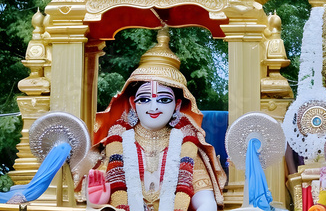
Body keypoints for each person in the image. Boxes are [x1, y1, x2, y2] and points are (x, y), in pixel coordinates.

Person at [86, 27, 226, 211]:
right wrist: (97, 198)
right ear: (133, 104)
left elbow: (205, 200)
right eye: (144, 99)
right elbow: (100, 198)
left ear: (177, 105)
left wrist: (206, 206)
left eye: (163, 99)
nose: (153, 107)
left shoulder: (188, 146)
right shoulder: (117, 143)